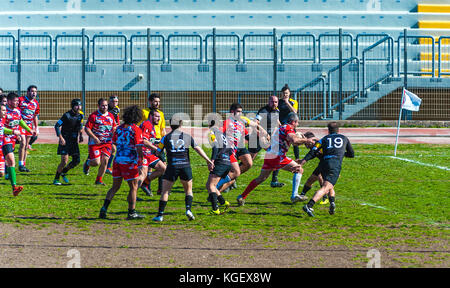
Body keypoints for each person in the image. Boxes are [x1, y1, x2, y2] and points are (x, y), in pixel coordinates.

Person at [236, 112, 314, 206]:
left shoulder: (282, 127)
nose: (297, 125)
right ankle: (294, 195)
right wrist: (306, 140)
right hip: (277, 157)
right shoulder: (288, 128)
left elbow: (292, 142)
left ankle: (242, 196)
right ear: (294, 122)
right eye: (297, 123)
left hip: (270, 155)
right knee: (299, 169)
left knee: (261, 178)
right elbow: (294, 141)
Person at [152, 116, 214, 222]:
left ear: (170, 125)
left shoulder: (165, 138)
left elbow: (158, 152)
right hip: (185, 166)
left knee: (165, 191)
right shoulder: (187, 136)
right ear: (180, 125)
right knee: (188, 190)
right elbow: (198, 149)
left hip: (172, 166)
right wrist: (208, 160)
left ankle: (160, 215)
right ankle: (188, 210)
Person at [99, 105, 145, 220]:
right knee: (134, 187)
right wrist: (140, 161)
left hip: (117, 160)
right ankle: (131, 212)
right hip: (129, 161)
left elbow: (113, 142)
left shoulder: (119, 128)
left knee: (115, 187)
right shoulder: (136, 129)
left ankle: (104, 209)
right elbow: (139, 147)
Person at [301, 122, 354, 217]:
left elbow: (313, 151)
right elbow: (351, 154)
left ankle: (332, 203)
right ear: (338, 130)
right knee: (326, 187)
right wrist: (341, 154)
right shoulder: (344, 138)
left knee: (328, 185)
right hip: (335, 164)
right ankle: (309, 205)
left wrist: (304, 160)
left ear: (328, 130)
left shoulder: (323, 139)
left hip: (324, 164)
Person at [213, 103, 256, 195]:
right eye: (238, 111)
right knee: (236, 172)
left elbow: (247, 136)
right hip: (228, 150)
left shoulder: (241, 123)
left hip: (237, 148)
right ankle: (217, 187)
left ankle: (229, 178)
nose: (240, 113)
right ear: (232, 112)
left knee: (248, 163)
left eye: (241, 112)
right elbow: (218, 133)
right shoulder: (227, 122)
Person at [248, 95, 281, 187]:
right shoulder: (263, 111)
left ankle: (274, 180)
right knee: (248, 163)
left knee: (277, 155)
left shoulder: (276, 111)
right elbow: (255, 123)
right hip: (257, 138)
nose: (274, 103)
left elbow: (277, 121)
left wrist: (283, 128)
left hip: (268, 139)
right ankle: (231, 177)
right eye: (272, 102)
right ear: (268, 102)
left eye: (276, 102)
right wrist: (261, 133)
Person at [83, 98, 118, 185]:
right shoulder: (94, 116)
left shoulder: (111, 116)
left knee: (105, 161)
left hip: (107, 143)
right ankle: (87, 163)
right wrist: (94, 138)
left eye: (106, 105)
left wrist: (115, 135)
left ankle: (99, 180)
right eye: (103, 105)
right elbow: (87, 128)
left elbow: (114, 128)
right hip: (95, 143)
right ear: (98, 106)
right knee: (95, 163)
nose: (104, 107)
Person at [3, 92, 32, 196]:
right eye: (15, 101)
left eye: (17, 101)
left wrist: (29, 129)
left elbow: (20, 121)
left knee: (10, 163)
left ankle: (14, 187)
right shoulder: (4, 112)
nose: (17, 103)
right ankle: (14, 186)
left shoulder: (18, 111)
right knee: (11, 161)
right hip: (4, 139)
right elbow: (1, 128)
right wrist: (12, 132)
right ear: (9, 101)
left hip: (12, 140)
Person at [139, 93, 166, 195]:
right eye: (155, 101)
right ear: (150, 101)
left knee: (163, 164)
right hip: (149, 142)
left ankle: (161, 189)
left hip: (158, 141)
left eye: (158, 102)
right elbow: (139, 127)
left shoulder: (160, 114)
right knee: (149, 167)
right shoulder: (144, 112)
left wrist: (164, 141)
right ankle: (147, 188)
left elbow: (162, 128)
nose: (157, 103)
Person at [53, 99, 84, 185]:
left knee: (76, 160)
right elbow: (57, 125)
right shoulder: (66, 116)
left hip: (73, 141)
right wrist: (60, 137)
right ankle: (56, 179)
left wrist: (81, 135)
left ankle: (64, 172)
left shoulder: (80, 116)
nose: (78, 107)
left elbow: (80, 126)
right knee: (64, 161)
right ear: (73, 106)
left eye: (80, 105)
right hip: (65, 141)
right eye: (77, 105)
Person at [206, 118, 233, 215]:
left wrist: (212, 160)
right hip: (227, 163)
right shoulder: (223, 135)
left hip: (220, 162)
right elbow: (230, 149)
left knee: (211, 185)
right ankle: (223, 202)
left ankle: (215, 209)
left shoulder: (211, 133)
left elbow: (215, 147)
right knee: (209, 185)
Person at [275, 84, 300, 186]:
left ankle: (297, 158)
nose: (285, 95)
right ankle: (274, 178)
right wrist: (279, 124)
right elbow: (275, 114)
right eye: (283, 93)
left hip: (291, 126)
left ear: (289, 93)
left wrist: (287, 102)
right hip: (281, 128)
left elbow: (295, 112)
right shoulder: (279, 102)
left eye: (286, 93)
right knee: (279, 150)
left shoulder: (293, 102)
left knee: (295, 142)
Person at [297, 131, 332, 204]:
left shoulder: (318, 144)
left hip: (329, 164)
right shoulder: (314, 145)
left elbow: (311, 154)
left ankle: (326, 198)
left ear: (310, 140)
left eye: (306, 143)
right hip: (323, 163)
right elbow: (313, 154)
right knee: (311, 180)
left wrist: (303, 161)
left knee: (323, 179)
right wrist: (302, 160)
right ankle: (302, 195)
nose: (305, 145)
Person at [18, 85, 40, 172]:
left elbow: (35, 116)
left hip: (29, 126)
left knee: (26, 145)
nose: (34, 93)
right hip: (20, 124)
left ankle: (23, 165)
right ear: (27, 92)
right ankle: (20, 164)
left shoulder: (35, 103)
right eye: (32, 91)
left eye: (35, 91)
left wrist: (36, 127)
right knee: (23, 143)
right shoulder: (21, 100)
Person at [0, 104, 21, 179]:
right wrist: (13, 132)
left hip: (3, 146)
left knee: (2, 173)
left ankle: (14, 187)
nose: (5, 112)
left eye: (5, 110)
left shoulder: (2, 121)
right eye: (3, 110)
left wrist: (16, 134)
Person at [105, 95, 120, 175]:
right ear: (109, 101)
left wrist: (118, 127)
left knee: (114, 149)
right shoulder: (105, 109)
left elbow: (117, 120)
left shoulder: (117, 109)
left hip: (113, 132)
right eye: (113, 101)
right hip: (104, 132)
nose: (115, 103)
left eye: (116, 101)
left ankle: (108, 167)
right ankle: (88, 163)